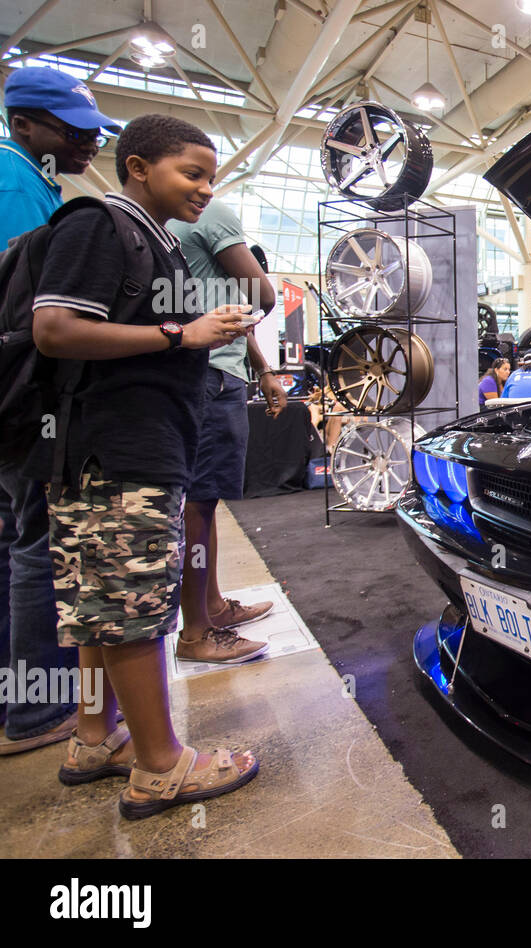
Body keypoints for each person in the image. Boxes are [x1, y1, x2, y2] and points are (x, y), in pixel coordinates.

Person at [29, 113, 258, 816]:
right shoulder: (101, 224)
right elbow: (54, 327)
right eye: (192, 173)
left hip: (116, 448)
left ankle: (96, 737)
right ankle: (162, 765)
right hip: (117, 450)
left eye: (211, 176)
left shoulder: (150, 239)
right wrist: (180, 333)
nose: (204, 189)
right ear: (137, 166)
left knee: (100, 613)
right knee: (132, 612)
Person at [0, 67, 121, 755]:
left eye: (93, 133)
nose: (87, 146)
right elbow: (30, 311)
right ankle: (38, 709)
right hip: (25, 399)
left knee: (12, 538)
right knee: (40, 545)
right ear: (24, 124)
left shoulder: (31, 178)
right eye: (73, 133)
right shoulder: (15, 181)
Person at [169, 198, 287, 663]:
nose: (204, 188)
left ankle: (212, 607)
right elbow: (263, 297)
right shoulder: (211, 215)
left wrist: (261, 367)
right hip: (210, 375)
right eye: (195, 174)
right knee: (196, 505)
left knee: (204, 501)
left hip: (216, 370)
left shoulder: (175, 225)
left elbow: (231, 312)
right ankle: (196, 633)